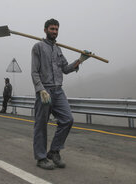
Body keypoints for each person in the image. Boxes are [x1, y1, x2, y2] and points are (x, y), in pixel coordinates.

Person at [31, 18, 91, 170]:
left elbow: (65, 68)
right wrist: (41, 89)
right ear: (45, 30)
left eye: (56, 29)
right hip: (45, 92)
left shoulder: (58, 49)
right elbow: (34, 72)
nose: (54, 32)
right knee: (41, 126)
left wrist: (80, 60)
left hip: (58, 91)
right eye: (52, 29)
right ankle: (41, 157)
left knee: (67, 119)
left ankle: (54, 151)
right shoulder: (38, 47)